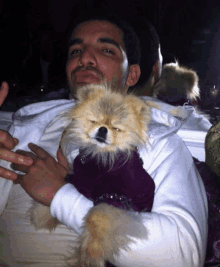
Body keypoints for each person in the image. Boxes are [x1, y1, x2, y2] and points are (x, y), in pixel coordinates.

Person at [0, 11, 211, 266]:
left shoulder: (156, 139)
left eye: (107, 50)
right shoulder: (24, 127)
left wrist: (59, 196)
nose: (85, 58)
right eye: (75, 51)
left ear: (132, 75)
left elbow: (184, 256)